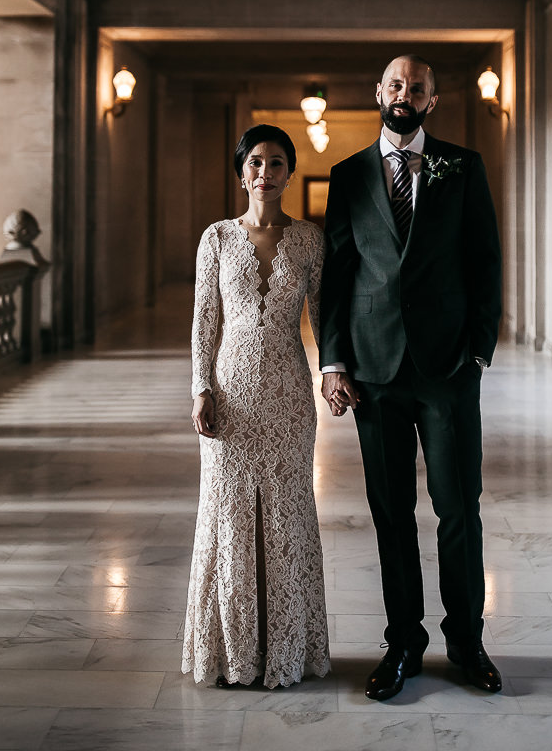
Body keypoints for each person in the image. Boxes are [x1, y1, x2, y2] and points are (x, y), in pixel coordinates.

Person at [319, 54, 502, 701]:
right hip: (374, 371)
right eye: (395, 84)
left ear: (433, 100)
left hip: (448, 368)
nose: (404, 94)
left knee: (459, 509)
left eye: (416, 88)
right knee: (391, 513)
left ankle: (467, 640)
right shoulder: (347, 176)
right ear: (378, 92)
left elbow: (484, 260)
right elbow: (337, 275)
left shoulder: (462, 166)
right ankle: (403, 643)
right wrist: (334, 361)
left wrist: (478, 350)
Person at [182, 124, 330, 690]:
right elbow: (203, 320)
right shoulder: (216, 238)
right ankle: (232, 651)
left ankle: (288, 646)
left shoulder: (311, 240)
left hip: (290, 389)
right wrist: (201, 387)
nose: (264, 173)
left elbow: (323, 316)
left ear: (289, 173)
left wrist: (334, 374)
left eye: (275, 163)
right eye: (255, 163)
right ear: (241, 173)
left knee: (288, 512)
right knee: (228, 511)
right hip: (232, 391)